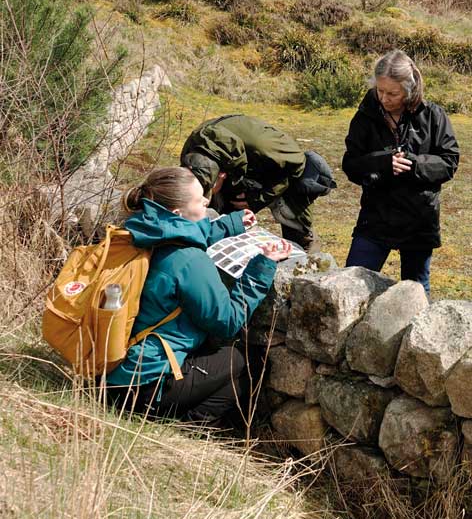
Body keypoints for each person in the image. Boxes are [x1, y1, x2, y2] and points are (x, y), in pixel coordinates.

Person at [105, 167, 292, 428]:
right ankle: (189, 428)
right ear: (178, 213)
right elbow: (228, 322)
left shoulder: (139, 233)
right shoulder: (188, 260)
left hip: (112, 371)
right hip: (143, 386)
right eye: (199, 199)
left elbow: (182, 232)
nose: (207, 200)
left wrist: (229, 225)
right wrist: (260, 268)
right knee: (241, 361)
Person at [342, 50, 459, 294]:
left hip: (419, 218)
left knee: (415, 291)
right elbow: (350, 165)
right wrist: (382, 163)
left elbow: (449, 162)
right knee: (350, 284)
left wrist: (415, 165)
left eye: (393, 93)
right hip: (375, 217)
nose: (384, 98)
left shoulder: (433, 115)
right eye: (380, 91)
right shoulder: (364, 117)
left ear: (410, 88)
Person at [180, 115, 336, 252]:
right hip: (239, 169)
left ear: (222, 174)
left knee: (291, 215)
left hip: (281, 172)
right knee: (207, 213)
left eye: (208, 190)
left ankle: (307, 262)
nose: (205, 199)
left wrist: (258, 198)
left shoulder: (267, 147)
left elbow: (297, 164)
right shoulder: (192, 152)